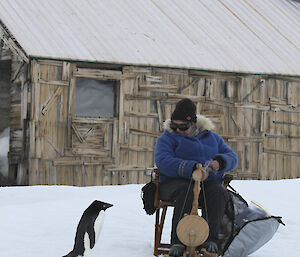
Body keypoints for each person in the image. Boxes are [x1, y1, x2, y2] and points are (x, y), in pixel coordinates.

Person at [154, 98, 238, 257]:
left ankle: (209, 240)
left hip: (206, 182)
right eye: (174, 126)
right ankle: (178, 242)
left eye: (182, 127)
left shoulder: (212, 137)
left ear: (192, 123)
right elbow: (163, 161)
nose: (177, 130)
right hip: (175, 183)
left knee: (219, 193)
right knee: (187, 190)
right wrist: (190, 167)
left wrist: (220, 162)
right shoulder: (166, 139)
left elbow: (232, 156)